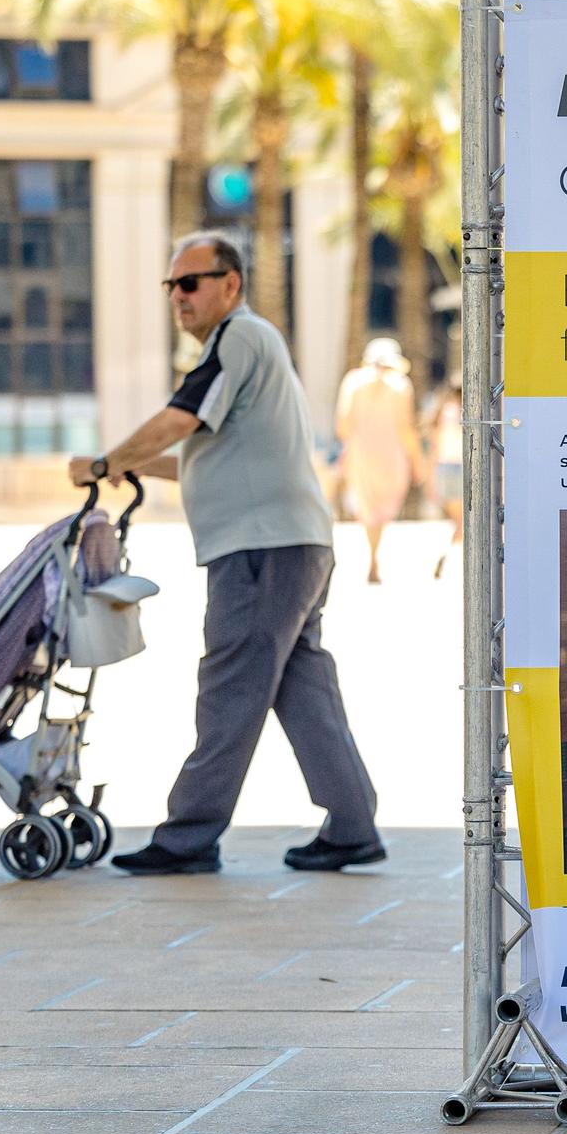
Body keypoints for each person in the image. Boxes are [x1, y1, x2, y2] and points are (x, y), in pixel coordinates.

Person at [70, 232, 384, 876]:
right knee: (303, 688)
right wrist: (122, 467)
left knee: (231, 686)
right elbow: (196, 454)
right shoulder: (249, 348)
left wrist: (107, 461)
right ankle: (353, 824)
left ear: (230, 284)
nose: (178, 297)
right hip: (292, 542)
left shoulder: (236, 339)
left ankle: (188, 835)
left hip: (262, 548)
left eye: (191, 283)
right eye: (171, 286)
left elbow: (179, 420)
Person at [334, 338, 426, 584]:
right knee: (384, 508)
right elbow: (406, 428)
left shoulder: (353, 382)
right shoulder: (400, 385)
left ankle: (372, 556)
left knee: (367, 508)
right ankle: (374, 557)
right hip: (390, 455)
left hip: (361, 454)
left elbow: (343, 425)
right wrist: (417, 461)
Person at [423, 371, 464, 580]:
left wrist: (431, 477)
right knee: (463, 522)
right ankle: (446, 554)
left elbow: (434, 449)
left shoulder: (441, 412)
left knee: (460, 521)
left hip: (446, 468)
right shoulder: (462, 414)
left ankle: (446, 555)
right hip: (460, 468)